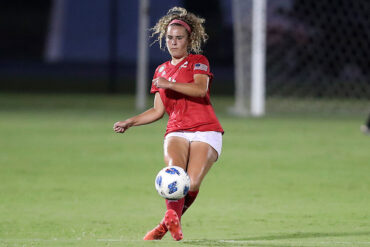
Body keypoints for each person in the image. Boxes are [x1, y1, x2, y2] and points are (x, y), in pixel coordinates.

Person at [113, 7, 224, 241]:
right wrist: (130, 122)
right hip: (177, 130)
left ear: (189, 39)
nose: (174, 42)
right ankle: (171, 220)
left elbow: (200, 89)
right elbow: (157, 110)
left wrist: (170, 84)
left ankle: (165, 224)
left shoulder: (198, 61)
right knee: (175, 174)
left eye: (179, 38)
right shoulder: (160, 70)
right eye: (170, 38)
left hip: (205, 129)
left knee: (191, 183)